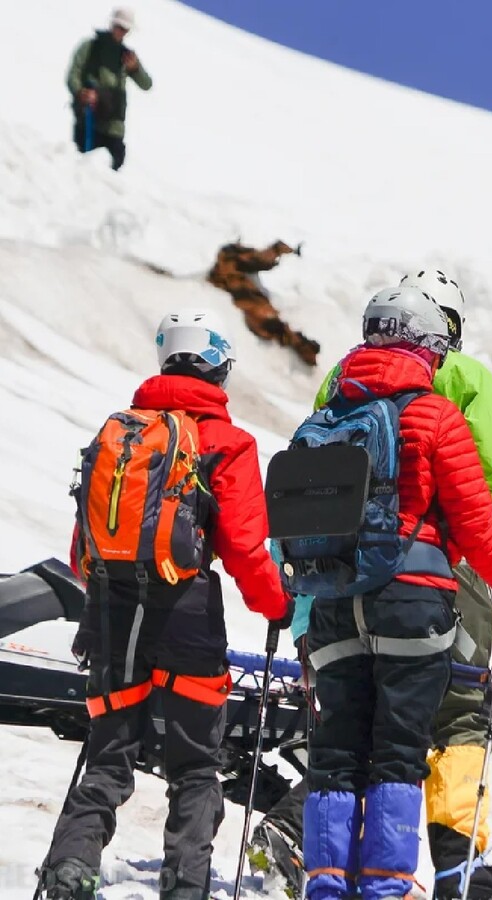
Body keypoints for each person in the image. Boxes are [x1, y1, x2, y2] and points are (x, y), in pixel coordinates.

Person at [251, 269, 492, 899]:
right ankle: (382, 888)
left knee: (336, 756)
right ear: (431, 343)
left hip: (330, 605)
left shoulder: (325, 416)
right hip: (411, 600)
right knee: (399, 755)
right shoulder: (433, 415)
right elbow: (476, 525)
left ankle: (325, 886)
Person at [38, 310, 292, 900]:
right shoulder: (226, 441)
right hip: (189, 618)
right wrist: (276, 606)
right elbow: (247, 547)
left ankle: (68, 876)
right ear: (219, 366)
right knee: (197, 767)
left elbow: (85, 552)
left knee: (106, 759)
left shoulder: (120, 434)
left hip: (113, 617)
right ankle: (186, 888)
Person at [206, 240, 321, 366]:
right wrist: (276, 250)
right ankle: (299, 344)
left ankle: (297, 343)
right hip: (259, 314)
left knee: (270, 321)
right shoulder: (231, 268)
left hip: (261, 314)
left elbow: (258, 260)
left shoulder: (232, 266)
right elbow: (258, 260)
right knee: (268, 320)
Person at [66, 7, 152, 171]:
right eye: (119, 27)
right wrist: (80, 92)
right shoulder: (90, 46)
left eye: (125, 29)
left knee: (113, 172)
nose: (122, 32)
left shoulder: (127, 57)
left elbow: (146, 85)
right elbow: (73, 75)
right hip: (89, 119)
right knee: (82, 169)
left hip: (114, 127)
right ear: (112, 24)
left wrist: (135, 69)